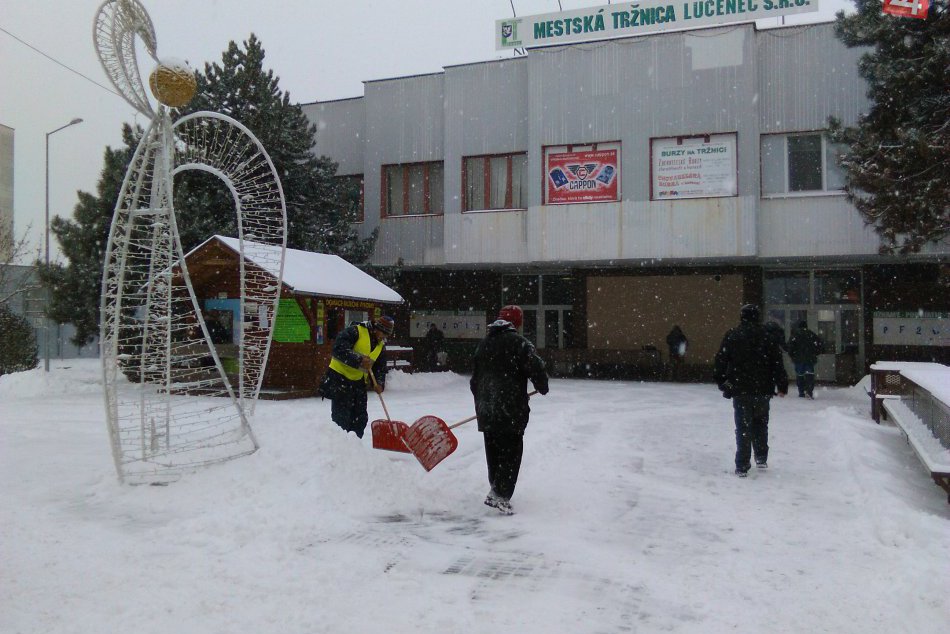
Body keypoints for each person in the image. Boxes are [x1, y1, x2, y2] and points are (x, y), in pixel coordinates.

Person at [470, 305, 549, 515]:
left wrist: (482, 401)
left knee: (494, 451)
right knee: (511, 452)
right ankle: (500, 494)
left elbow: (474, 381)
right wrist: (542, 386)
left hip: (486, 409)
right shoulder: (520, 344)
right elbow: (537, 368)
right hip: (511, 409)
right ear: (517, 322)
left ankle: (496, 487)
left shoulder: (484, 344)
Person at [714, 304, 788, 477]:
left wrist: (723, 382)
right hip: (763, 388)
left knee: (743, 427)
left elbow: (721, 360)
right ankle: (761, 456)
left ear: (742, 317)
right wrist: (781, 385)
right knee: (761, 423)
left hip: (740, 388)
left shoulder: (732, 335)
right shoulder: (767, 337)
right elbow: (777, 363)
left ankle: (742, 463)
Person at [319, 315, 395, 438]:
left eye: (387, 334)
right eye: (383, 333)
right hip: (340, 379)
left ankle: (356, 445)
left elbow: (380, 367)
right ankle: (340, 446)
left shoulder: (380, 345)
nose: (384, 337)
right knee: (342, 418)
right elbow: (338, 348)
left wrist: (379, 383)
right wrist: (358, 359)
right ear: (376, 328)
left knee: (360, 418)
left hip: (358, 383)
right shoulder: (355, 331)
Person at [787, 320, 823, 399]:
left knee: (800, 375)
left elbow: (790, 347)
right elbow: (819, 345)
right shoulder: (811, 334)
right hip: (810, 359)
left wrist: (792, 355)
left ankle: (801, 392)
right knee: (809, 374)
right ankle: (809, 391)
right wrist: (815, 353)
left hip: (798, 359)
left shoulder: (795, 335)